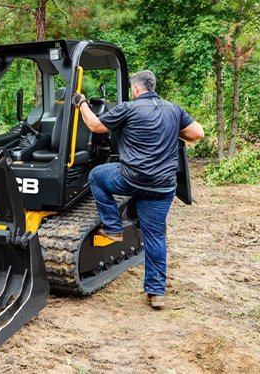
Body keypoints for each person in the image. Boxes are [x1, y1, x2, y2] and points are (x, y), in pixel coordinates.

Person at [74, 70, 204, 310]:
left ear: (136, 89)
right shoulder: (173, 110)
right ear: (153, 87)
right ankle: (156, 293)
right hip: (163, 186)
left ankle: (113, 227)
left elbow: (93, 125)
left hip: (132, 180)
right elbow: (198, 133)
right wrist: (173, 129)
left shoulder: (128, 109)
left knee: (96, 176)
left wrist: (81, 103)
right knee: (155, 236)